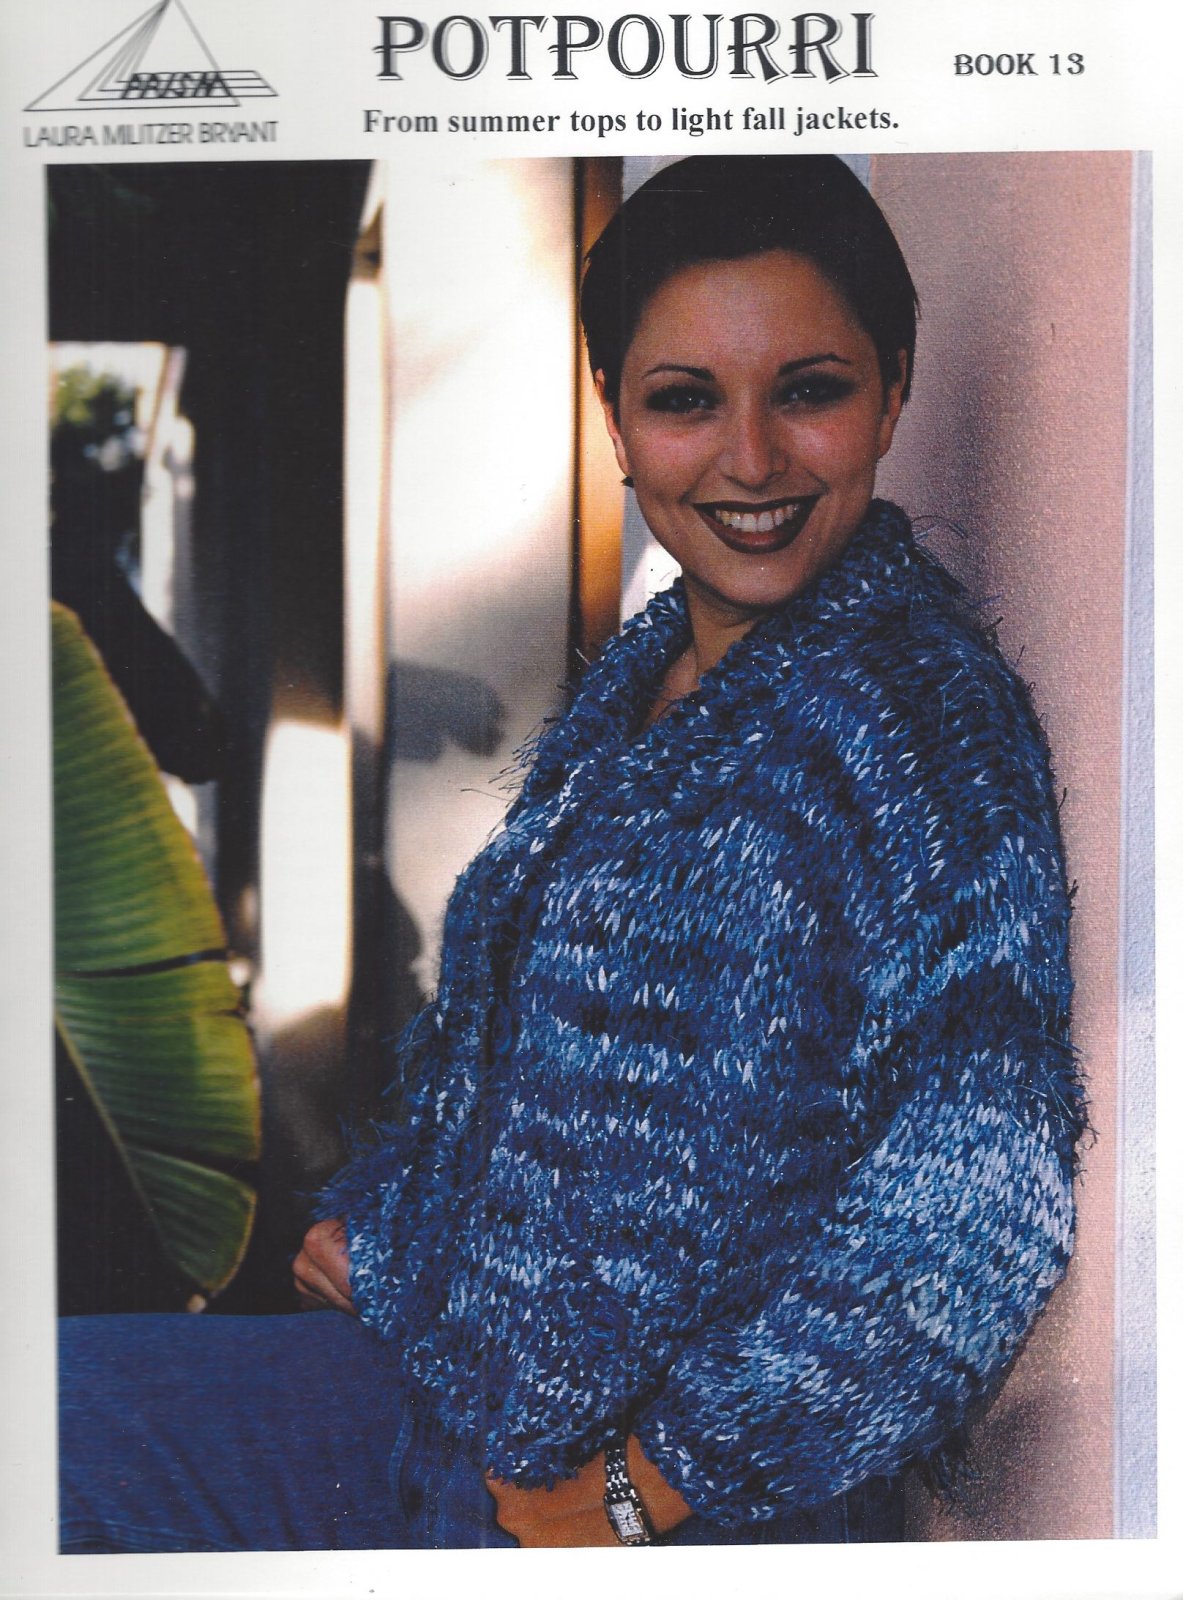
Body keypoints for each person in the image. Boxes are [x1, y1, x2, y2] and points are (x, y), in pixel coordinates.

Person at [59, 154, 1084, 1552]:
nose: (750, 459)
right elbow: (517, 1073)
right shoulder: (649, 681)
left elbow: (978, 1214)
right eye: (684, 400)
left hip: (647, 1502)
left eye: (810, 389)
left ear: (893, 393)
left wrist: (632, 1492)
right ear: (614, 419)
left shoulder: (918, 724)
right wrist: (386, 1232)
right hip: (447, 1408)